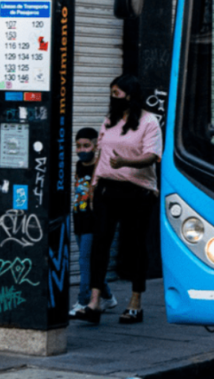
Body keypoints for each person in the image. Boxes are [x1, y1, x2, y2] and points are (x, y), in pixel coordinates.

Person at [74, 74, 162, 325]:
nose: (112, 98)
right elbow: (101, 154)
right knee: (100, 243)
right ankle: (94, 302)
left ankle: (136, 302)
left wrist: (125, 162)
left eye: (116, 93)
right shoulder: (109, 121)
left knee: (134, 246)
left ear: (130, 95)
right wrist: (94, 186)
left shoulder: (149, 122)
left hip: (137, 190)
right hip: (107, 189)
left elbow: (151, 156)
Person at [70, 127, 117, 317]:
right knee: (90, 262)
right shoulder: (79, 166)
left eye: (86, 145)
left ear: (96, 145)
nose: (82, 150)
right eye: (78, 146)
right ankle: (108, 297)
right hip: (78, 218)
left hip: (93, 220)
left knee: (84, 261)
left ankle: (83, 301)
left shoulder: (100, 166)